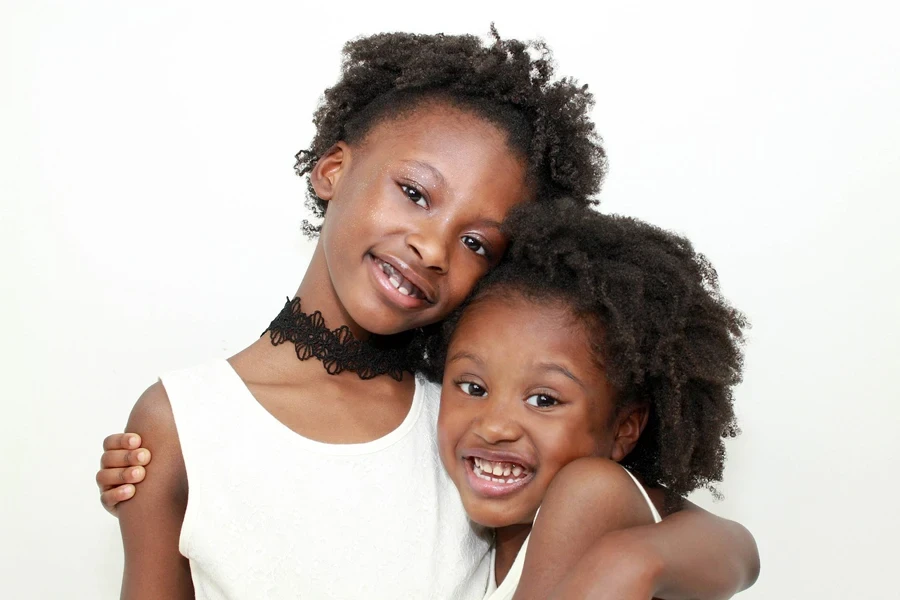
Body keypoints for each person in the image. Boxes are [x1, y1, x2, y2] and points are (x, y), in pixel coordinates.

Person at [96, 30, 759, 599]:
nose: (432, 247)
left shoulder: (466, 410)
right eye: (414, 193)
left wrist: (633, 558)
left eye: (476, 242)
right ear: (332, 168)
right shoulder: (182, 423)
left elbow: (714, 540)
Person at [429, 201, 747, 598]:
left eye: (544, 399)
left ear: (624, 429)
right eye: (474, 388)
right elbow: (738, 546)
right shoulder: (477, 546)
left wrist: (630, 560)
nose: (494, 426)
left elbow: (741, 549)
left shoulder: (589, 491)